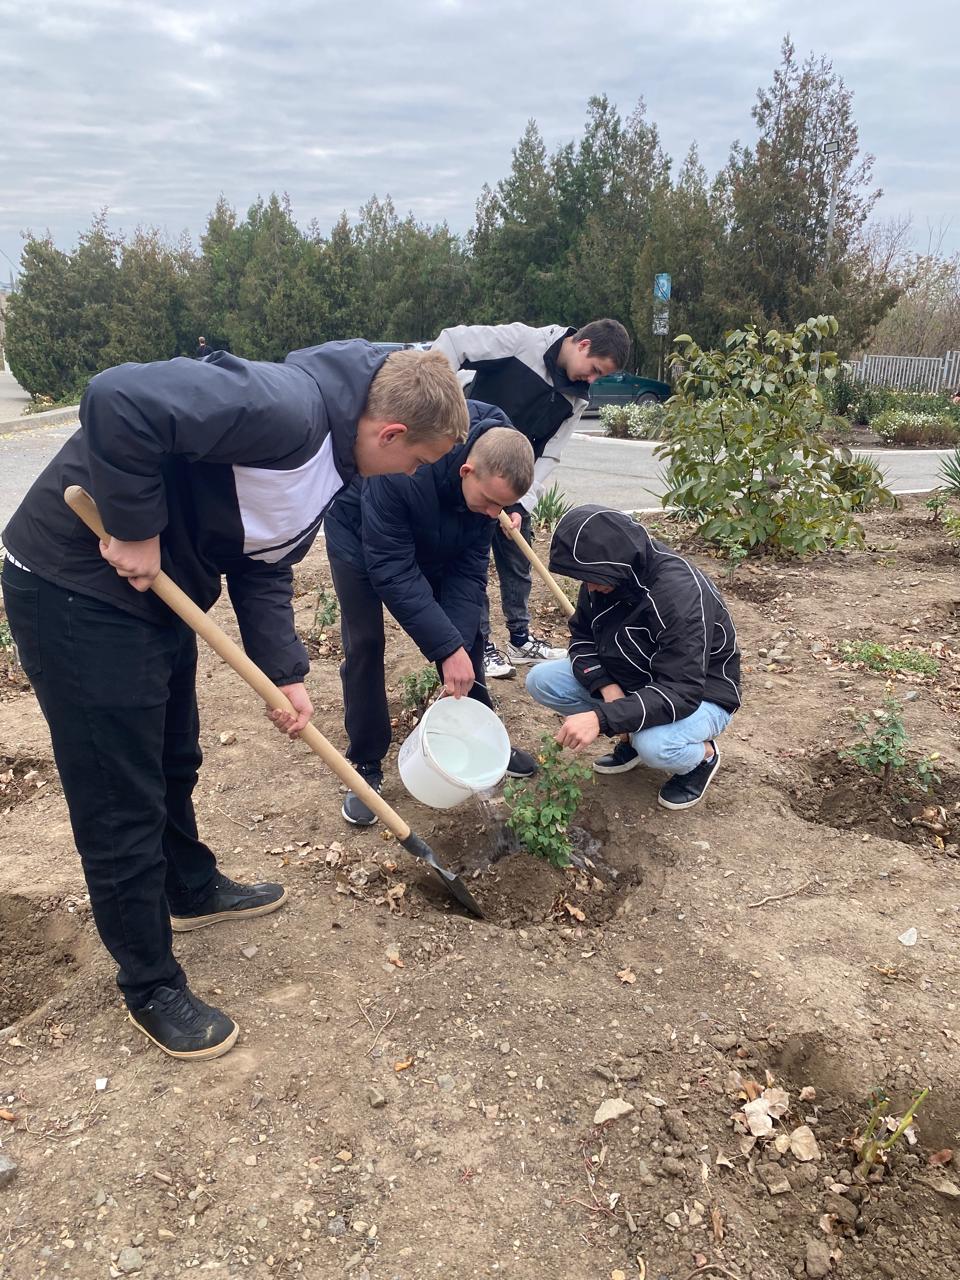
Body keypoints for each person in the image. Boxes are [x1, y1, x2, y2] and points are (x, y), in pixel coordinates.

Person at [1, 344, 467, 1060]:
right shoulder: (289, 409)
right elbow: (118, 398)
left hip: (155, 593)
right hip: (77, 586)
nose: (412, 475)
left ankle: (188, 887)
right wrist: (134, 527)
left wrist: (285, 672)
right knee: (120, 799)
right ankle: (150, 984)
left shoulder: (338, 461)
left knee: (174, 757)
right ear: (391, 432)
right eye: (417, 462)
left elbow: (264, 560)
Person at [324, 406, 538, 826]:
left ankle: (479, 735)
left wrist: (454, 647)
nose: (494, 514)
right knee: (365, 642)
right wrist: (444, 649)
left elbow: (468, 574)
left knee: (467, 636)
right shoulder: (401, 474)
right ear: (466, 470)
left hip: (442, 530)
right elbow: (392, 569)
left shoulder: (488, 486)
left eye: (503, 506)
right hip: (360, 534)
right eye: (490, 502)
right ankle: (365, 765)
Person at [431, 318, 631, 679]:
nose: (591, 380)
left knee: (517, 559)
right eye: (594, 370)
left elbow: (551, 452)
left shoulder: (575, 398)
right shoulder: (520, 342)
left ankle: (520, 639)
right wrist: (439, 408)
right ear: (583, 345)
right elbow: (453, 342)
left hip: (517, 483)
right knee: (470, 562)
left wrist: (522, 502)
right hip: (474, 474)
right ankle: (482, 644)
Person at [524, 506, 741, 811]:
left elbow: (682, 689)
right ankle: (633, 736)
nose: (589, 587)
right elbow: (582, 638)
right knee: (541, 680)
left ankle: (703, 757)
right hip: (634, 677)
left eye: (592, 578)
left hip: (702, 693)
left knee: (656, 746)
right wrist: (607, 689)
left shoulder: (678, 593)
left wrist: (602, 717)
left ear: (618, 560)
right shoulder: (606, 576)